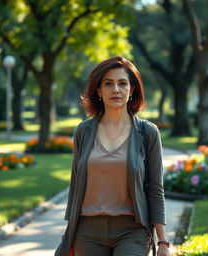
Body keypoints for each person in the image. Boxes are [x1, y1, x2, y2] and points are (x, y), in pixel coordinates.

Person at [55, 56, 170, 256]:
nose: (115, 89)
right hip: (87, 232)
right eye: (108, 83)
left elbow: (155, 189)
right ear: (99, 91)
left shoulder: (147, 132)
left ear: (132, 90)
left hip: (132, 229)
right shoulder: (84, 131)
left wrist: (163, 242)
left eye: (122, 83)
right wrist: (70, 233)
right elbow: (75, 185)